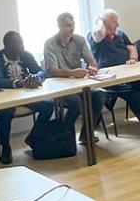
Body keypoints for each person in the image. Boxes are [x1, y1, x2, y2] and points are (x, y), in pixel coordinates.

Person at [88, 9, 140, 138]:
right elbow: (99, 33)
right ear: (103, 23)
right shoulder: (95, 36)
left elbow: (132, 47)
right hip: (109, 79)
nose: (117, 24)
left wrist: (133, 58)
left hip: (128, 74)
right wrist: (100, 21)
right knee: (133, 94)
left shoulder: (120, 34)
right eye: (114, 21)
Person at [0, 31, 59, 164]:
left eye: (22, 42)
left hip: (26, 97)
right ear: (8, 45)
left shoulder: (25, 55)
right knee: (6, 113)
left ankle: (33, 137)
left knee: (48, 105)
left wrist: (35, 77)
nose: (22, 46)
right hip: (3, 99)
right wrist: (19, 83)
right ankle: (5, 148)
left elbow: (41, 71)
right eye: (19, 43)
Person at [43, 12, 109, 145]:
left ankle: (86, 133)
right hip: (60, 86)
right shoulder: (50, 43)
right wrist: (71, 73)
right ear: (59, 26)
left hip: (79, 84)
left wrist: (92, 67)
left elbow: (91, 60)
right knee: (77, 103)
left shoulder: (79, 40)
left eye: (72, 25)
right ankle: (65, 135)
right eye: (68, 25)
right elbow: (53, 70)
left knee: (101, 94)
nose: (71, 28)